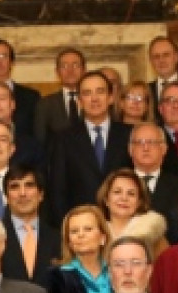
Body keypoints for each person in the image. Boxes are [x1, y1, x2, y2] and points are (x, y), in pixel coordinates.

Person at [48, 72, 133, 223]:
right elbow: (57, 190)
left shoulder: (129, 134)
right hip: (81, 226)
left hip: (124, 223)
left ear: (111, 97)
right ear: (79, 101)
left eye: (100, 91)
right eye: (87, 93)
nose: (94, 99)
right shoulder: (63, 138)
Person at [46, 204, 113, 293]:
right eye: (74, 231)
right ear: (69, 242)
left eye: (88, 229)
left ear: (102, 237)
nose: (81, 235)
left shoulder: (117, 271)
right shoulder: (57, 276)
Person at [0, 165, 61, 284]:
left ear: (41, 195)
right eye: (14, 187)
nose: (22, 193)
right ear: (6, 197)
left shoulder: (58, 238)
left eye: (29, 185)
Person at [128, 122, 178, 231]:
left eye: (152, 142)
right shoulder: (118, 184)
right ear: (130, 149)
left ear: (164, 149)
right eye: (140, 142)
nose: (146, 148)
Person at [34, 48, 88, 146]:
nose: (70, 70)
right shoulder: (45, 104)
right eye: (64, 66)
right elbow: (40, 141)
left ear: (84, 70)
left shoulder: (93, 100)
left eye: (75, 65)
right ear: (57, 72)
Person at [97, 169, 151, 241]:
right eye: (117, 192)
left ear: (139, 202)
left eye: (131, 194)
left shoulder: (151, 232)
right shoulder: (95, 231)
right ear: (106, 199)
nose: (124, 198)